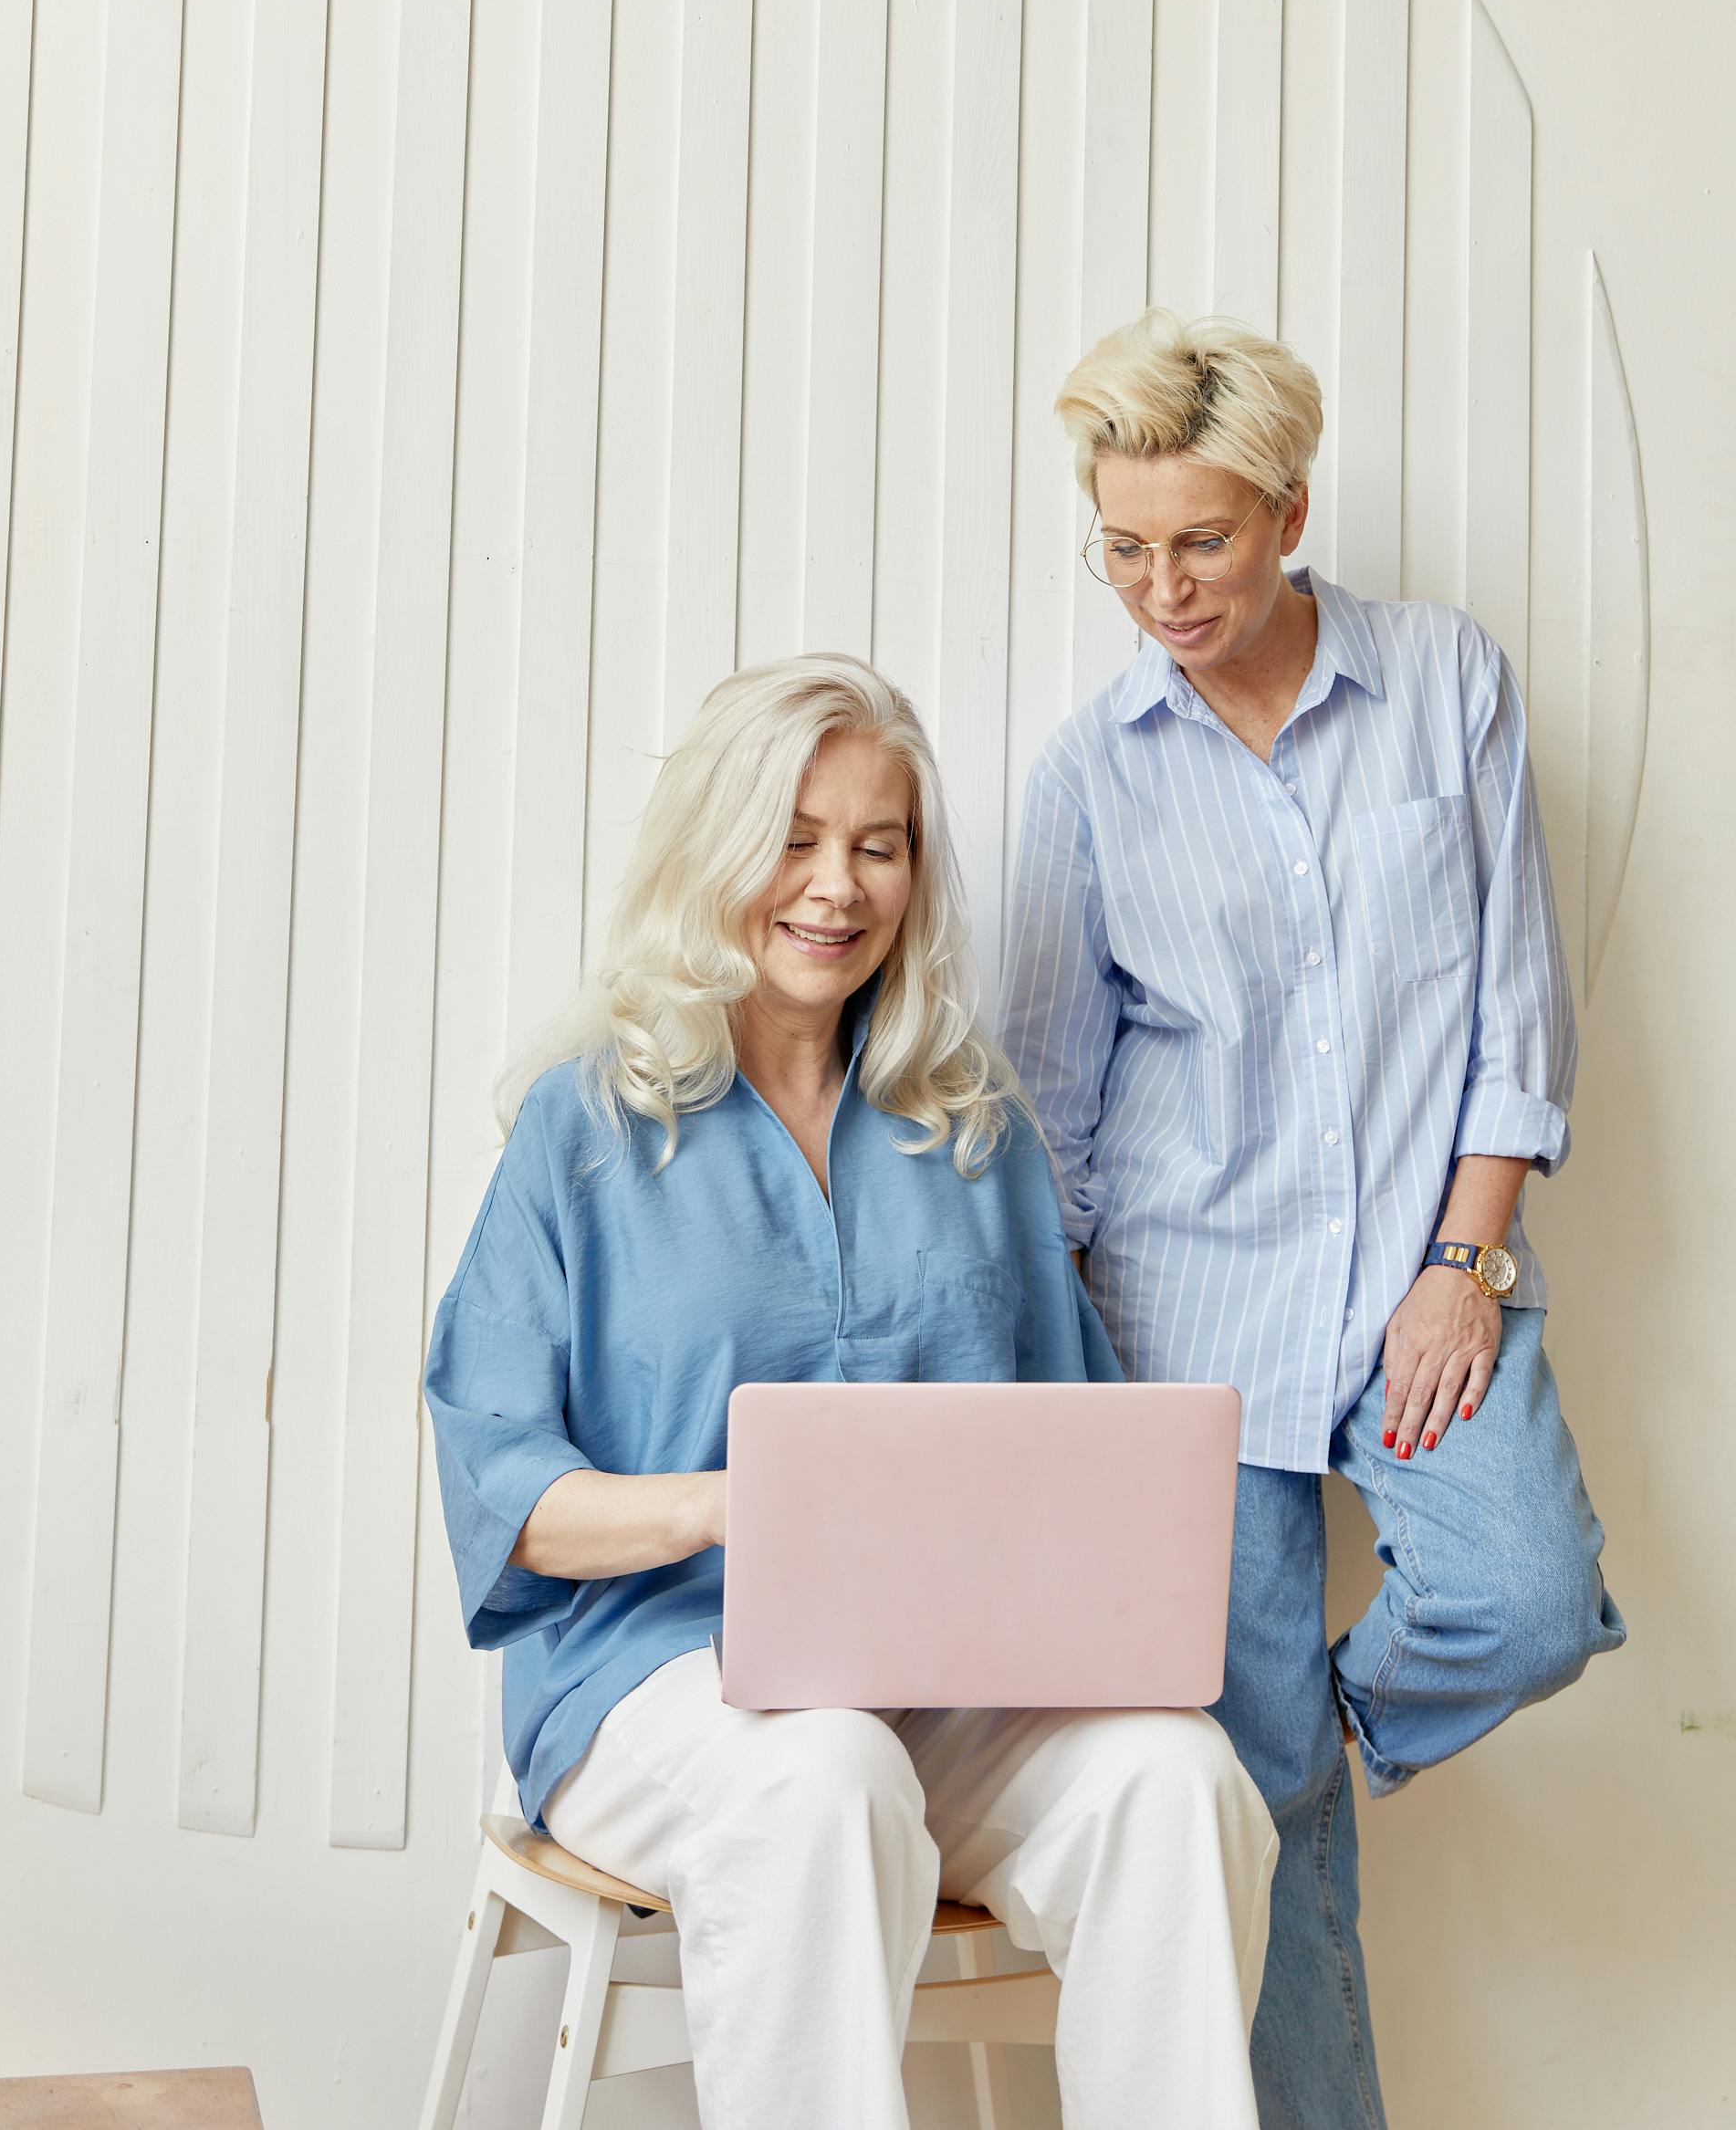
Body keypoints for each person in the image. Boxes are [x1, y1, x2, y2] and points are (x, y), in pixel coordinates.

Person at [425, 653, 1275, 2130]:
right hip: (659, 1685)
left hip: (941, 1695)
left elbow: (1071, 1442)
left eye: (878, 845)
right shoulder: (585, 1129)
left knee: (1179, 1780)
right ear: (715, 851)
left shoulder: (970, 1126)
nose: (837, 886)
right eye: (796, 838)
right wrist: (729, 1512)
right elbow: (509, 1489)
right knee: (822, 1778)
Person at [1002, 312, 1626, 2130]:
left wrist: (1463, 1268)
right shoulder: (1089, 772)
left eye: (1198, 539)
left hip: (1425, 1279)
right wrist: (1065, 1406)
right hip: (1185, 1324)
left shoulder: (1443, 682)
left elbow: (1515, 1007)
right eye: (1122, 546)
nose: (1160, 587)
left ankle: (1304, 1744)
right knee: (1257, 1835)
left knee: (1518, 1597)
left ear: (1286, 506)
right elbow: (1053, 1109)